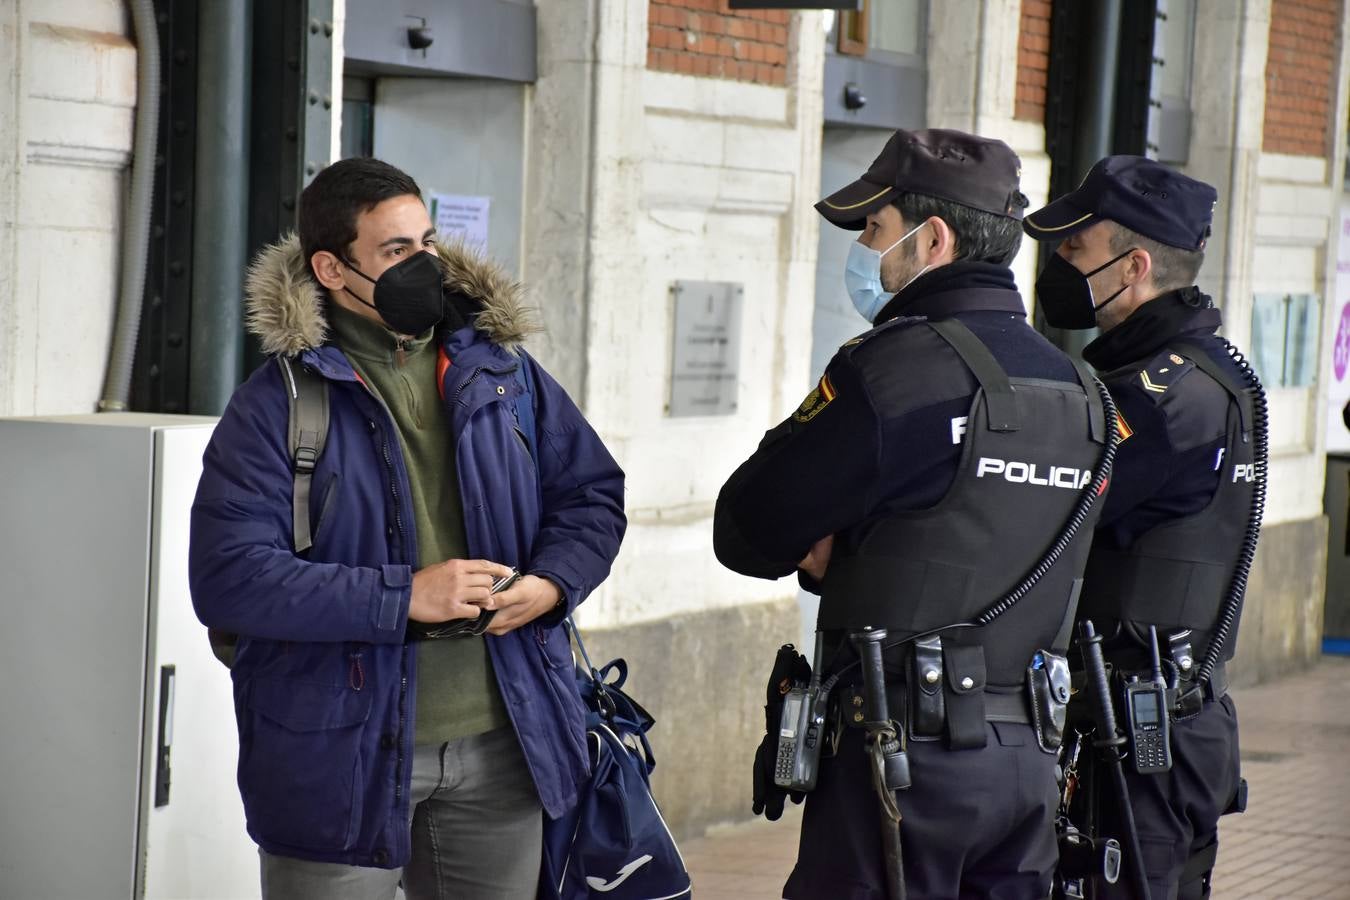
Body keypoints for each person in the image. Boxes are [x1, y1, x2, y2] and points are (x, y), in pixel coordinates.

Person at [189, 157, 626, 899]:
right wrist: (404, 595)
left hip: (506, 742)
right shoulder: (277, 405)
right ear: (330, 267)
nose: (425, 264)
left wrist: (553, 582)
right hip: (339, 759)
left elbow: (592, 496)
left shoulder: (504, 374)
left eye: (427, 242)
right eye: (396, 252)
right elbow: (230, 579)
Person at [713, 128, 1114, 899]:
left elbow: (747, 526)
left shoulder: (892, 370)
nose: (863, 249)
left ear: (933, 240)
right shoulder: (1085, 393)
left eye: (874, 227)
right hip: (1030, 759)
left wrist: (845, 537)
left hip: (901, 764)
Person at [1023, 156, 1259, 899]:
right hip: (1176, 725)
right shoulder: (1206, 369)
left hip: (1137, 744)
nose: (1058, 263)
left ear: (1135, 267)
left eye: (1075, 249)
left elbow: (1038, 526)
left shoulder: (1158, 400)